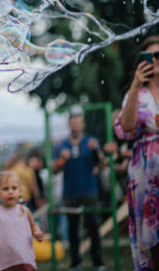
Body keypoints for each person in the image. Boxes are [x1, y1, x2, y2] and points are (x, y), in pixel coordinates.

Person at [115, 35, 159, 271]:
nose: (154, 59)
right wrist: (135, 84)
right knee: (156, 245)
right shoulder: (136, 93)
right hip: (147, 177)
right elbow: (128, 126)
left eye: (158, 54)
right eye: (149, 56)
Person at [52, 105, 106, 271]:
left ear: (83, 125)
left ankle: (98, 263)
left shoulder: (90, 142)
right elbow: (54, 170)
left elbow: (102, 165)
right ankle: (75, 263)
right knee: (73, 229)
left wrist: (97, 151)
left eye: (79, 122)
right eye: (73, 122)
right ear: (69, 125)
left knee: (93, 226)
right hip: (70, 192)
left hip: (89, 190)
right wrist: (62, 160)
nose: (76, 125)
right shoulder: (61, 146)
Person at [0, 171, 44, 271]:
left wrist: (37, 232)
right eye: (5, 189)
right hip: (2, 263)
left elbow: (33, 226)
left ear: (20, 191)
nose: (10, 192)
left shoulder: (24, 211)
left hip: (24, 260)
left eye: (14, 188)